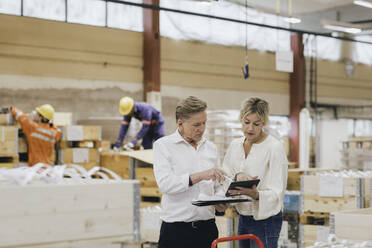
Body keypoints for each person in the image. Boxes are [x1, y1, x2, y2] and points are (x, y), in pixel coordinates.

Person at [153, 96, 227, 248]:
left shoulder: (211, 148)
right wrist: (200, 176)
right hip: (176, 232)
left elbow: (219, 183)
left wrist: (220, 200)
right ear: (180, 123)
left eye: (204, 123)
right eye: (196, 125)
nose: (202, 129)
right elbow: (166, 184)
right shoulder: (163, 146)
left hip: (207, 230)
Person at [222, 97, 288, 248]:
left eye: (256, 124)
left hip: (266, 220)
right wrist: (237, 176)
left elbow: (278, 191)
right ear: (241, 120)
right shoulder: (234, 146)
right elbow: (225, 175)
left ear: (263, 123)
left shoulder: (274, 148)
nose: (250, 128)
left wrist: (256, 194)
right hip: (243, 216)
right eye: (246, 122)